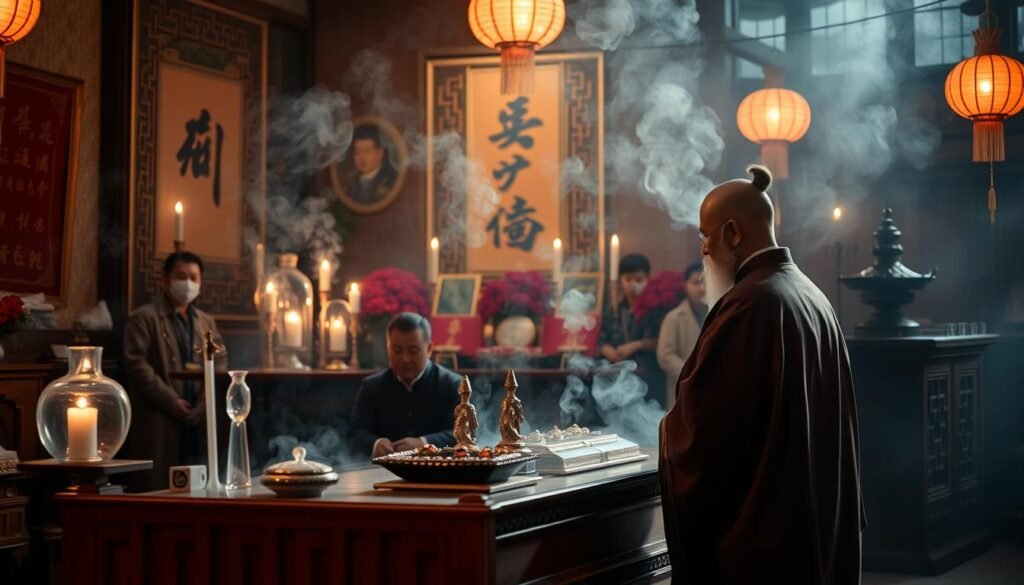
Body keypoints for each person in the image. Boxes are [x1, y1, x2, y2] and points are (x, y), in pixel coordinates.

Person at [659, 165, 864, 584]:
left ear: (732, 233)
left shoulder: (751, 305)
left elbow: (703, 433)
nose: (702, 252)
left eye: (705, 237)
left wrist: (668, 432)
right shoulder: (811, 295)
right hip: (813, 520)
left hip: (769, 540)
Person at [123, 251, 227, 491]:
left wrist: (204, 403)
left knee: (200, 485)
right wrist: (171, 401)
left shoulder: (205, 321)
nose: (188, 283)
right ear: (166, 279)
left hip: (199, 417)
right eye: (181, 276)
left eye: (194, 277)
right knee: (159, 487)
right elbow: (136, 364)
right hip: (161, 417)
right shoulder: (143, 318)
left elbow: (220, 361)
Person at [349, 312, 462, 458]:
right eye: (397, 351)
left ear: (429, 349)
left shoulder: (453, 385)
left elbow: (462, 434)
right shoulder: (372, 386)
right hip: (382, 471)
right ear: (387, 347)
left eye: (413, 351)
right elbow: (355, 432)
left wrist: (423, 444)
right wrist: (376, 444)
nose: (405, 359)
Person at [598, 253, 664, 404]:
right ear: (620, 280)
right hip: (617, 375)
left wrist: (637, 345)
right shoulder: (614, 310)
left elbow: (664, 342)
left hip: (648, 375)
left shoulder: (656, 310)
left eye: (639, 280)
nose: (633, 284)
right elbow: (601, 339)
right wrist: (606, 350)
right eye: (628, 279)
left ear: (648, 279)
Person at [656, 262, 706, 409]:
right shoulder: (674, 317)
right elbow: (665, 355)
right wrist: (691, 374)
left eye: (705, 282)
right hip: (683, 387)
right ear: (685, 286)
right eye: (696, 282)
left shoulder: (720, 313)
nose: (702, 288)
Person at [344, 123, 398, 206]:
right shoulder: (350, 182)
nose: (362, 158)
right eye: (357, 153)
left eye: (367, 151)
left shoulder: (388, 181)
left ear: (380, 154)